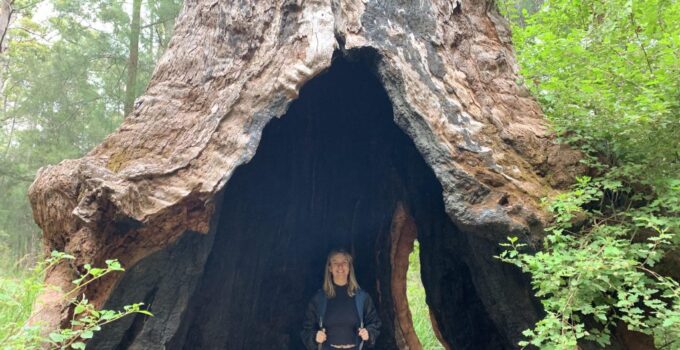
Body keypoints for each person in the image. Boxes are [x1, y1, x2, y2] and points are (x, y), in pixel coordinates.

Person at [301, 249, 381, 350]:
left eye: (344, 262)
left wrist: (368, 333)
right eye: (335, 262)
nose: (340, 266)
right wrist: (314, 337)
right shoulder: (319, 299)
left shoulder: (362, 298)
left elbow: (375, 323)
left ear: (349, 268)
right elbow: (306, 329)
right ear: (330, 268)